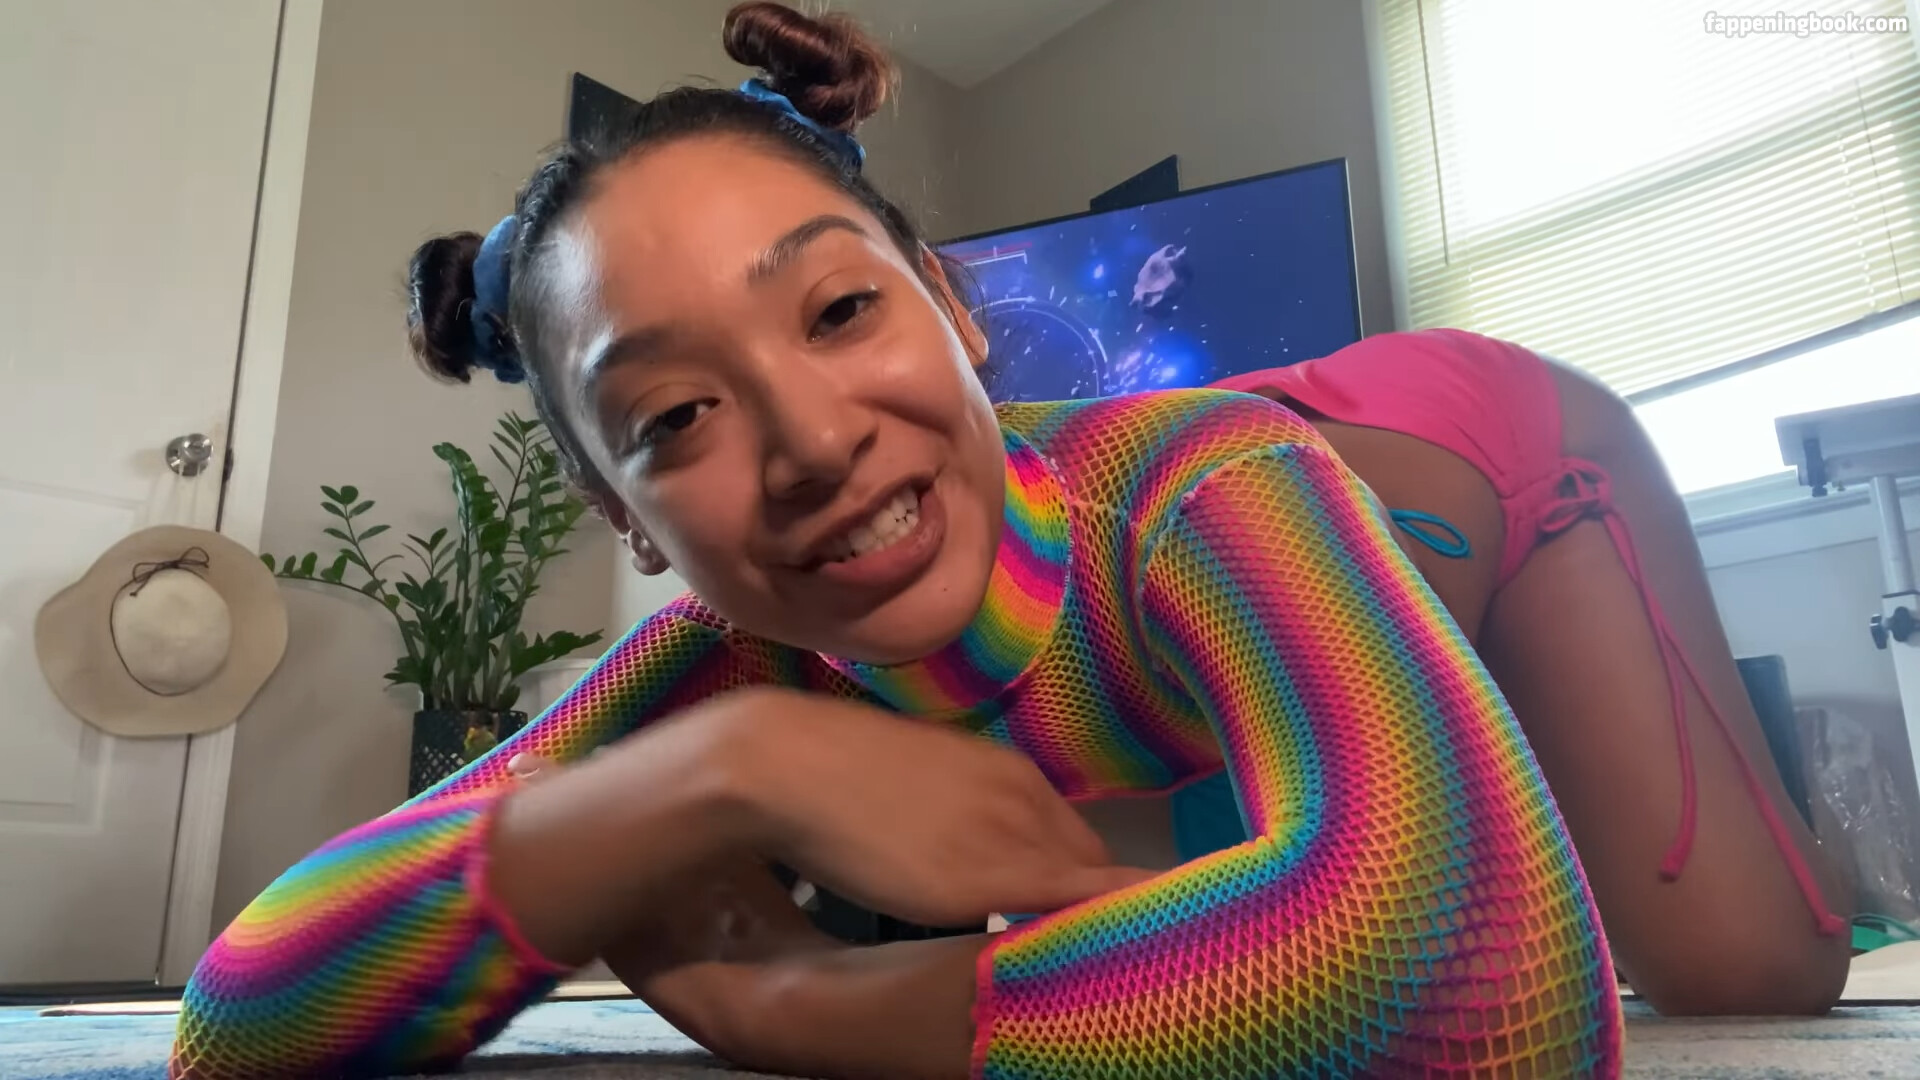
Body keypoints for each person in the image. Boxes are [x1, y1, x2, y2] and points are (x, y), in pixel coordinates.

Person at [166, 4, 1812, 1078]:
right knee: (1222, 917)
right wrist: (704, 777)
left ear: (953, 307)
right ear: (622, 516)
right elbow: (237, 1020)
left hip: (1503, 465)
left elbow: (1481, 990)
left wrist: (792, 1006)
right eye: (674, 416)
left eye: (840, 311)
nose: (814, 443)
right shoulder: (721, 677)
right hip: (1181, 670)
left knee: (1745, 983)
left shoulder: (1196, 483)